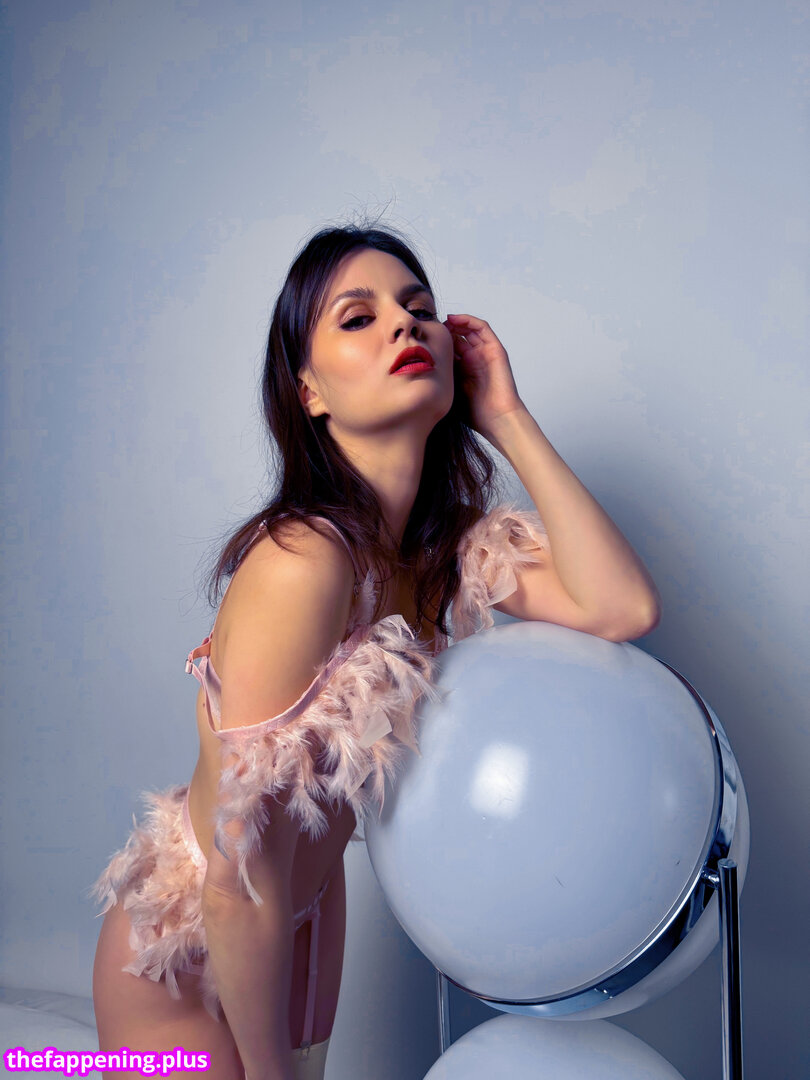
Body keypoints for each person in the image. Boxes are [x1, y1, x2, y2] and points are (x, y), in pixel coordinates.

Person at [91, 220, 662, 1080]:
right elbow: (237, 877)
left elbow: (620, 607)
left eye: (419, 308)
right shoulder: (303, 562)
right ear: (309, 391)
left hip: (303, 920)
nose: (404, 323)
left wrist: (506, 416)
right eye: (359, 318)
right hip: (189, 951)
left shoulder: (438, 551)